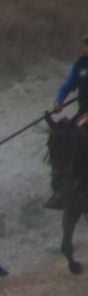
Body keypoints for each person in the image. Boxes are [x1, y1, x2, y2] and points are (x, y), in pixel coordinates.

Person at [47, 33, 88, 207]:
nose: (86, 47)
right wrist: (59, 101)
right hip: (84, 112)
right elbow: (68, 85)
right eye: (86, 44)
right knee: (63, 138)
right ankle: (62, 187)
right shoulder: (80, 64)